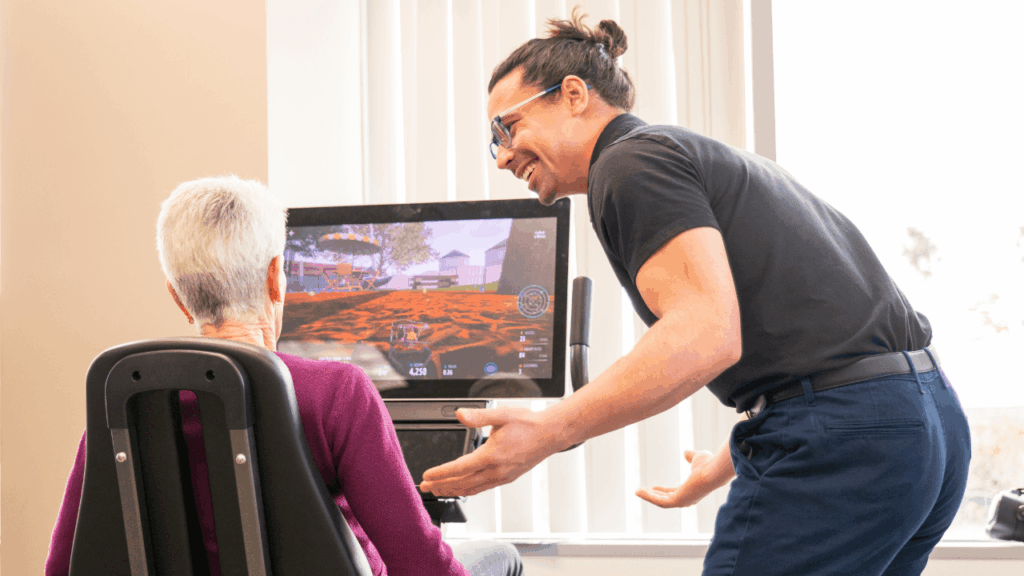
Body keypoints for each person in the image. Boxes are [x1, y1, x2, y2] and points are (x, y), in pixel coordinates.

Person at [419, 11, 970, 576]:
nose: (503, 155)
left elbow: (707, 333)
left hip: (850, 436)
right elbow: (821, 342)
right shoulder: (685, 154)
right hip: (926, 424)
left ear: (575, 95)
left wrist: (549, 430)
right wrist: (730, 457)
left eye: (507, 129)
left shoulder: (629, 165)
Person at [45, 176, 523, 576]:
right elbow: (420, 564)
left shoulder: (127, 407)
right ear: (276, 277)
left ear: (178, 298)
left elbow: (63, 566)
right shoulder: (337, 392)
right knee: (500, 555)